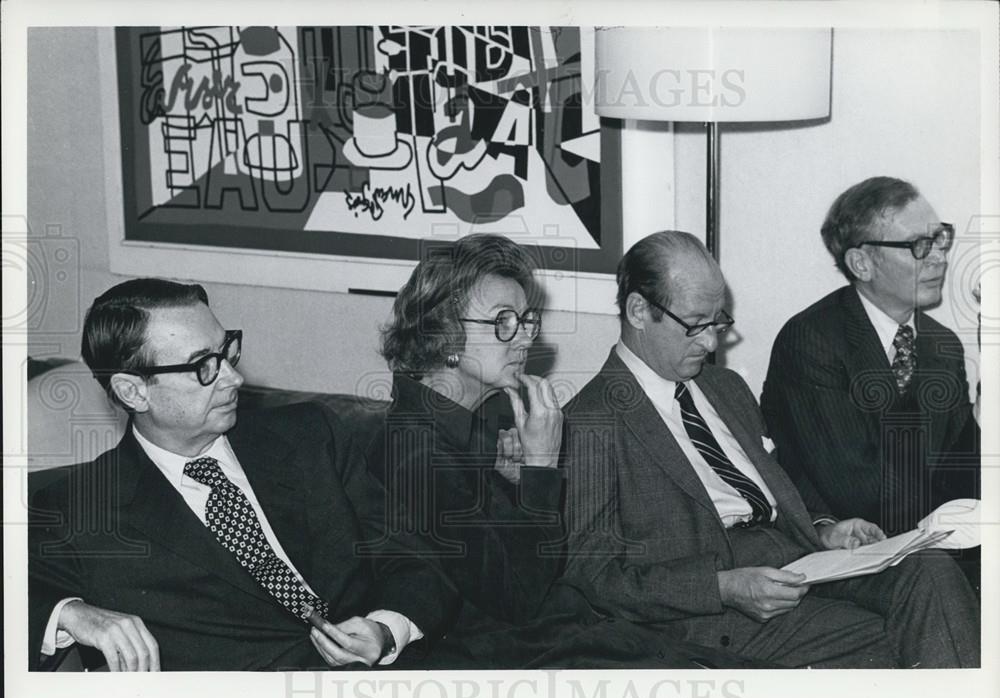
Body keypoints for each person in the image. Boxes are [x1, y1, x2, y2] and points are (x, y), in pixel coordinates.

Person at [560, 231, 980, 668]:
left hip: (800, 562)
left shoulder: (725, 387)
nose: (710, 343)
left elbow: (774, 480)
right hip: (715, 610)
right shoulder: (590, 420)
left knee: (931, 569)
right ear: (639, 311)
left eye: (717, 321)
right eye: (695, 324)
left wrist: (823, 528)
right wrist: (722, 586)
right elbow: (597, 578)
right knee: (906, 636)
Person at [368, 234, 763, 668]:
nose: (523, 339)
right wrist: (540, 469)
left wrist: (523, 481)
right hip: (521, 660)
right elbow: (519, 598)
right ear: (443, 331)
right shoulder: (416, 449)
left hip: (582, 634)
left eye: (525, 320)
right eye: (503, 322)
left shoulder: (484, 421)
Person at [28, 278, 453, 671]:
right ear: (132, 391)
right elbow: (19, 595)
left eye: (227, 350)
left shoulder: (310, 436)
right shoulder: (79, 507)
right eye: (203, 367)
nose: (235, 377)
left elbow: (414, 555)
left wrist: (386, 629)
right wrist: (70, 613)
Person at [761, 177, 979, 536]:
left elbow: (963, 473)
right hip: (853, 546)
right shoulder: (812, 340)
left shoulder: (943, 344)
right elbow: (859, 494)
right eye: (920, 245)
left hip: (928, 539)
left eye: (940, 238)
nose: (940, 256)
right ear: (862, 263)